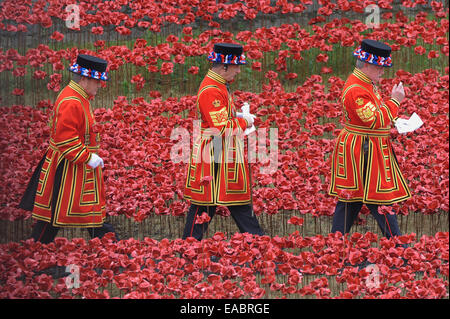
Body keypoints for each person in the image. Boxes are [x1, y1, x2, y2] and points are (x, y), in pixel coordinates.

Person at [19, 54, 119, 243]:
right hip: (67, 168)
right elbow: (64, 138)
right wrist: (87, 157)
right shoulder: (72, 101)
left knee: (59, 214)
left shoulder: (78, 97)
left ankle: (111, 245)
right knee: (59, 214)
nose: (100, 85)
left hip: (73, 166)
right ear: (84, 79)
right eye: (97, 81)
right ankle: (113, 246)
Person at [328, 39, 411, 240]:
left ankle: (334, 245)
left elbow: (375, 117)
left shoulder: (365, 83)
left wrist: (396, 120)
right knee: (378, 198)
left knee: (351, 200)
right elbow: (374, 120)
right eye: (380, 68)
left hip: (365, 147)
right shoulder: (357, 89)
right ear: (367, 65)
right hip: (364, 150)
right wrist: (395, 101)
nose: (383, 72)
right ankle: (399, 249)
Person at [182, 43, 264, 240]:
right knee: (208, 204)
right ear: (224, 66)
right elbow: (221, 128)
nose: (238, 71)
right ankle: (259, 243)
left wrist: (236, 115)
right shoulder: (212, 89)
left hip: (220, 151)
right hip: (215, 151)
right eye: (236, 67)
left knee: (216, 203)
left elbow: (220, 117)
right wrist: (244, 122)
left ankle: (188, 246)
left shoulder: (218, 84)